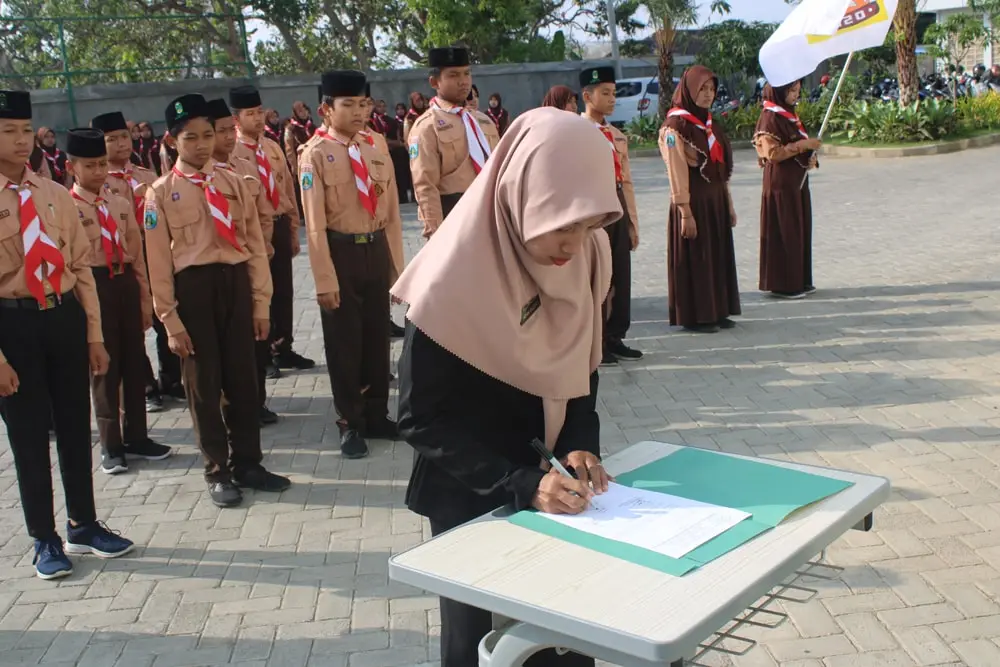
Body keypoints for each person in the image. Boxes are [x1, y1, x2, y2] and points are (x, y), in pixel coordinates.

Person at [394, 107, 618, 667]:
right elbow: (421, 418)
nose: (575, 241)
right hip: (473, 495)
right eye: (561, 221)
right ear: (520, 194)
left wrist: (579, 444)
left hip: (559, 496)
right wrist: (519, 483)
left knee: (564, 641)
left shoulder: (589, 257)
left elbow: (581, 377)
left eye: (589, 222)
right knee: (484, 647)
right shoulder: (453, 278)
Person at [0, 90, 134, 580]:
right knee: (30, 436)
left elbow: (80, 269)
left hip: (64, 318)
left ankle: (84, 523)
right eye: (7, 131)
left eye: (23, 130)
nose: (19, 139)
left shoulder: (53, 194)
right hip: (12, 325)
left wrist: (94, 336)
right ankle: (44, 537)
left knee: (76, 428)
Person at [144, 93, 290, 508]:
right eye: (191, 138)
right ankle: (217, 471)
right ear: (173, 142)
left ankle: (249, 463)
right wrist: (170, 320)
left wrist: (261, 303)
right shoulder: (159, 194)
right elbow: (157, 263)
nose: (203, 144)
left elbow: (255, 246)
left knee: (244, 379)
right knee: (204, 385)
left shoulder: (234, 182)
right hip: (193, 291)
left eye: (208, 135)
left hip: (235, 283)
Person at [299, 70, 404, 459]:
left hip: (375, 248)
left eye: (363, 104)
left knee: (378, 339)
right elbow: (314, 224)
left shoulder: (375, 144)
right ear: (327, 109)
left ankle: (377, 414)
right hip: (340, 252)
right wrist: (325, 280)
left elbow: (391, 211)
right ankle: (350, 421)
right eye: (349, 105)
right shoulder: (313, 154)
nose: (360, 111)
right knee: (345, 345)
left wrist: (398, 269)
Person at [65, 128, 172, 474]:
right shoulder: (65, 208)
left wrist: (145, 300)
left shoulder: (120, 203)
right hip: (92, 284)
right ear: (72, 168)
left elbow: (137, 257)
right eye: (90, 166)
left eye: (101, 165)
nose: (98, 172)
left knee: (132, 360)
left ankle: (137, 437)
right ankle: (111, 445)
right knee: (104, 366)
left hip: (124, 282)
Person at [91, 111, 179, 411]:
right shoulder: (97, 185)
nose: (120, 144)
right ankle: (145, 385)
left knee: (164, 314)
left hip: (155, 253)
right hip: (123, 260)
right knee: (133, 325)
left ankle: (172, 377)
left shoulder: (146, 176)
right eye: (111, 139)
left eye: (124, 137)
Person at [230, 85, 315, 378]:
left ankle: (284, 347)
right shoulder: (233, 153)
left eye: (259, 112)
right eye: (249, 114)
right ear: (236, 120)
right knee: (261, 291)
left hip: (279, 223)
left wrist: (293, 228)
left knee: (284, 290)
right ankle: (262, 353)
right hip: (256, 230)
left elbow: (287, 188)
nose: (257, 118)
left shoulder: (272, 146)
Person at [207, 97, 280, 426]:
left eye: (226, 131)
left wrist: (264, 247)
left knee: (256, 337)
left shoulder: (244, 169)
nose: (225, 138)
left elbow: (264, 212)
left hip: (252, 260)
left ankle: (255, 401)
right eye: (217, 131)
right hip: (216, 270)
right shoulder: (191, 183)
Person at [660, 65, 741, 333]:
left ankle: (718, 310)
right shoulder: (675, 127)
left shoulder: (710, 125)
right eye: (702, 89)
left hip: (714, 200)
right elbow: (676, 169)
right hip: (693, 202)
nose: (708, 95)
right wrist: (685, 210)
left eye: (711, 89)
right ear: (689, 90)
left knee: (716, 255)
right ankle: (698, 315)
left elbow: (719, 171)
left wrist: (728, 204)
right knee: (698, 257)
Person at [579, 66, 642, 363]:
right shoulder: (575, 133)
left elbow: (627, 182)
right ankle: (596, 341)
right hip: (593, 206)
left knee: (620, 273)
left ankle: (615, 335)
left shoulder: (616, 135)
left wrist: (632, 223)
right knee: (597, 276)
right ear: (587, 96)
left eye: (614, 93)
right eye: (605, 93)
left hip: (616, 203)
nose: (612, 99)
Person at [408, 47, 501, 238]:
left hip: (492, 212)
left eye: (467, 74)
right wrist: (436, 234)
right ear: (435, 81)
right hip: (454, 214)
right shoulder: (427, 127)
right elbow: (425, 185)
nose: (463, 81)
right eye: (453, 75)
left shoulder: (484, 122)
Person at [754, 82, 822, 300]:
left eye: (797, 91)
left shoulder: (789, 115)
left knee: (799, 229)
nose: (795, 96)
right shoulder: (770, 117)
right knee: (785, 231)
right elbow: (773, 153)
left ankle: (799, 278)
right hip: (781, 184)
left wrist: (810, 157)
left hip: (797, 183)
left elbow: (798, 142)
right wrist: (803, 147)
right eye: (791, 91)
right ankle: (784, 283)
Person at [284, 99, 315, 177]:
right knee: (307, 186)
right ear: (296, 114)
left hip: (315, 161)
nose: (304, 113)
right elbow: (289, 150)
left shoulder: (311, 126)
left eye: (305, 110)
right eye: (300, 111)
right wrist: (295, 167)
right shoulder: (291, 129)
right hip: (302, 164)